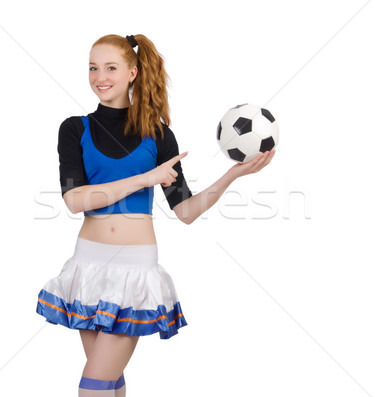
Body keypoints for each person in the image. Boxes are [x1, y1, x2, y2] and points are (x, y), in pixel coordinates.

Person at [36, 34, 275, 397]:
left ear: (132, 72)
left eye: (111, 68)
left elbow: (186, 211)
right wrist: (147, 178)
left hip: (134, 272)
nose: (100, 76)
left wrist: (232, 175)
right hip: (87, 266)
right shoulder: (74, 128)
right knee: (108, 384)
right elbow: (75, 200)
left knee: (93, 388)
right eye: (93, 67)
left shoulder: (159, 135)